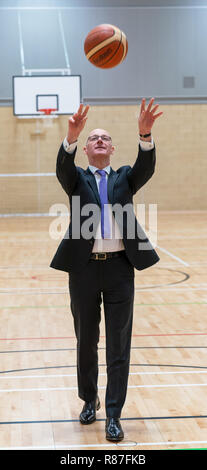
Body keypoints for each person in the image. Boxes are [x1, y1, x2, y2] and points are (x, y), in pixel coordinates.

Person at [50, 98, 163, 441]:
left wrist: (145, 133)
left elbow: (146, 167)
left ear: (113, 148)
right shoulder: (76, 179)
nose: (99, 140)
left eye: (105, 137)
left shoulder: (125, 178)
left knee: (118, 345)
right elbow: (62, 169)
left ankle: (113, 413)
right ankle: (89, 400)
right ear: (85, 149)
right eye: (93, 138)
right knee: (86, 342)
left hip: (119, 270)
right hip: (83, 270)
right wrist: (70, 137)